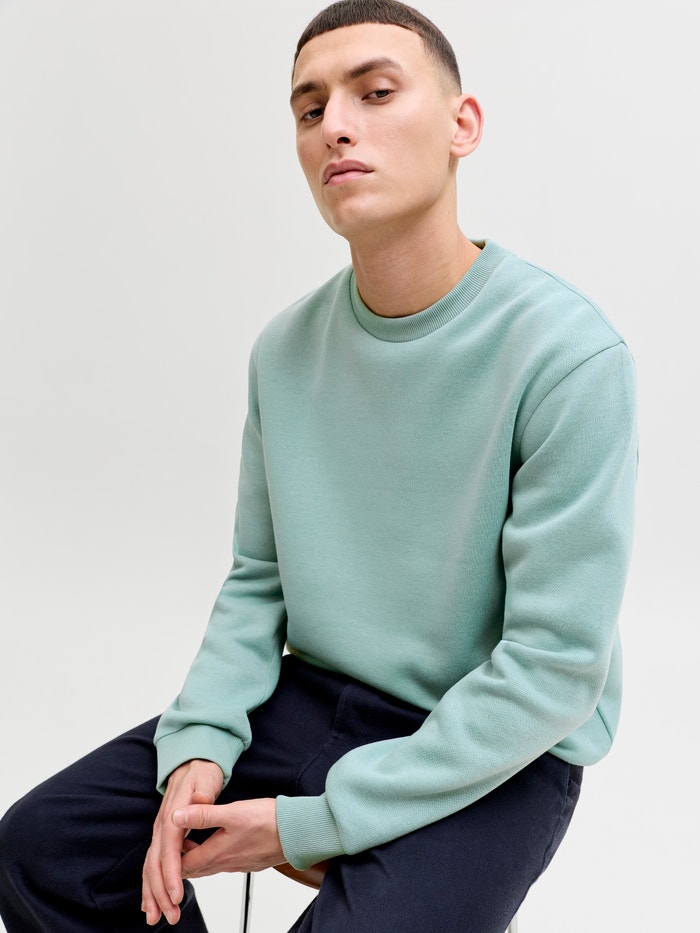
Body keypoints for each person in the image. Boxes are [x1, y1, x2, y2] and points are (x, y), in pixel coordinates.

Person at [0, 1, 637, 931]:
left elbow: (553, 667)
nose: (336, 124)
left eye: (375, 92)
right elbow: (258, 579)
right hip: (310, 699)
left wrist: (309, 824)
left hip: (498, 743)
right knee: (43, 847)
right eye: (309, 109)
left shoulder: (569, 356)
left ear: (462, 125)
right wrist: (201, 742)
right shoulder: (286, 350)